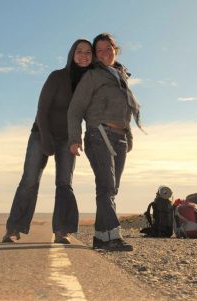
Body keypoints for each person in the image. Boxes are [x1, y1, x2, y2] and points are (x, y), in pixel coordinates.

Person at [2, 39, 93, 244]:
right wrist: (45, 140)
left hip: (68, 139)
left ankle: (62, 231)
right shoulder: (57, 76)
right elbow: (42, 110)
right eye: (79, 51)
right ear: (72, 54)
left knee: (64, 183)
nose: (83, 55)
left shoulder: (90, 83)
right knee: (30, 180)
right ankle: (13, 228)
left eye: (88, 52)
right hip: (41, 134)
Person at [68, 33, 143, 251]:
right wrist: (74, 139)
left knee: (111, 188)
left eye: (107, 48)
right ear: (95, 54)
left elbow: (125, 109)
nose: (104, 53)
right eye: (99, 50)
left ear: (115, 49)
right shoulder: (92, 76)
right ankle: (113, 236)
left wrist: (128, 136)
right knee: (106, 186)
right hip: (98, 134)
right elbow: (75, 109)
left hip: (119, 137)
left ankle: (101, 237)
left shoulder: (120, 75)